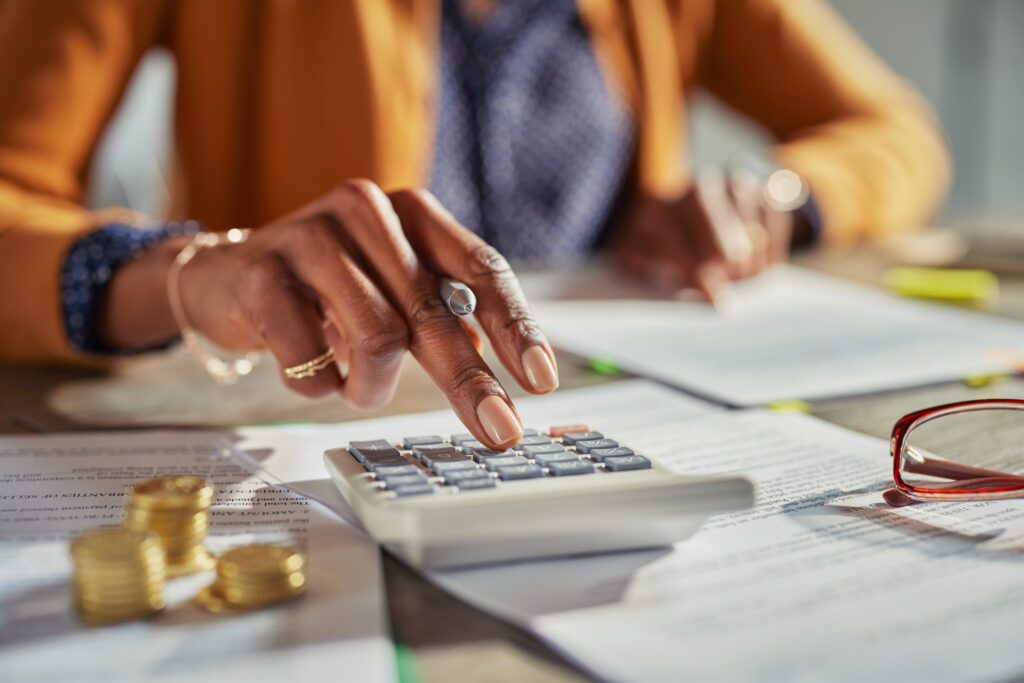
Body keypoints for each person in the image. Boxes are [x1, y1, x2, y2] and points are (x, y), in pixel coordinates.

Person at [0, 0, 950, 449]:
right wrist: (185, 274)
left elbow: (896, 132)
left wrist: (778, 198)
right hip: (304, 429)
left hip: (638, 423)